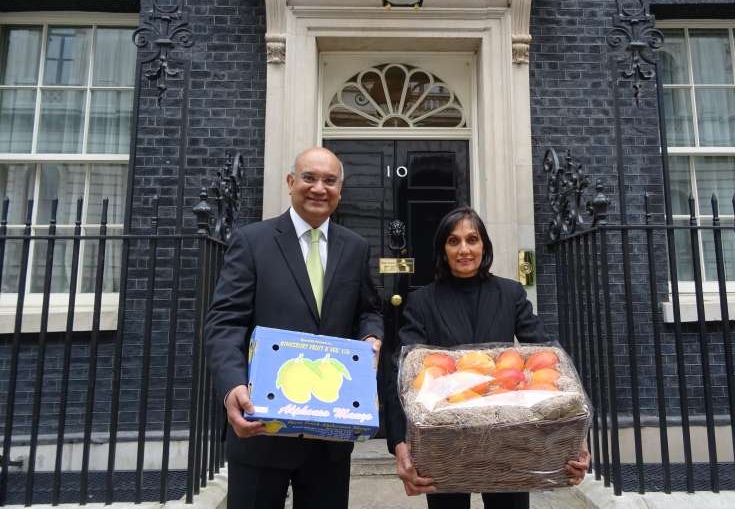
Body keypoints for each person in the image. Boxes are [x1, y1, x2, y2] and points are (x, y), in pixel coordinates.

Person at [204, 147, 383, 509]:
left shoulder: (356, 247)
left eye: (330, 181)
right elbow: (225, 321)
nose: (319, 188)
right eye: (309, 178)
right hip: (262, 429)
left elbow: (370, 309)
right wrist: (232, 386)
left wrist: (371, 337)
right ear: (290, 182)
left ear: (341, 189)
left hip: (329, 438)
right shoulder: (252, 241)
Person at [384, 207, 590, 509]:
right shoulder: (422, 301)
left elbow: (551, 359)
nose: (464, 249)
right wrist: (400, 445)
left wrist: (578, 438)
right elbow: (401, 372)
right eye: (453, 241)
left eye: (472, 239)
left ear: (484, 246)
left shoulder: (511, 294)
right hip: (446, 438)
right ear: (443, 248)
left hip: (509, 438)